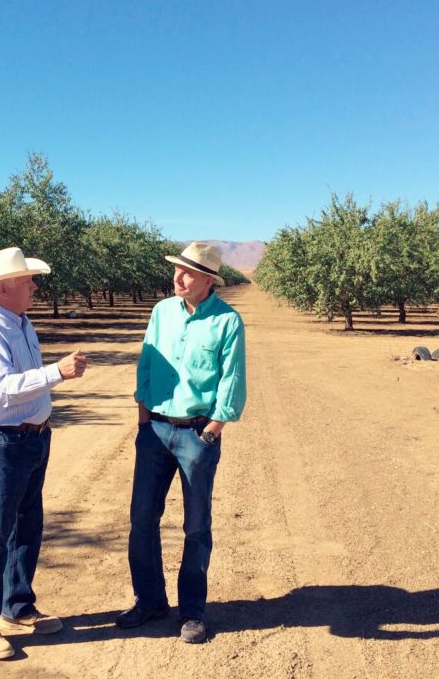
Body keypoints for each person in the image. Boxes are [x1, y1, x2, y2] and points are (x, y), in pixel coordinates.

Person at [116, 241, 246, 644]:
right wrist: (142, 421)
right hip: (154, 429)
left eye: (188, 272)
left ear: (208, 280)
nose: (178, 277)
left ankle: (192, 612)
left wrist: (211, 431)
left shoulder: (227, 322)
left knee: (195, 526)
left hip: (196, 434)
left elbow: (232, 381)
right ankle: (150, 600)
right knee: (142, 520)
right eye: (177, 269)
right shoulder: (161, 312)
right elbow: (146, 365)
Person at [0, 246, 89, 660]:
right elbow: (2, 387)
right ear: (3, 287)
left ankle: (17, 607)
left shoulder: (21, 323)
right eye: (27, 280)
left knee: (27, 526)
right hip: (3, 441)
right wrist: (57, 372)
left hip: (33, 438)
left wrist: (51, 380)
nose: (34, 286)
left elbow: (24, 383)